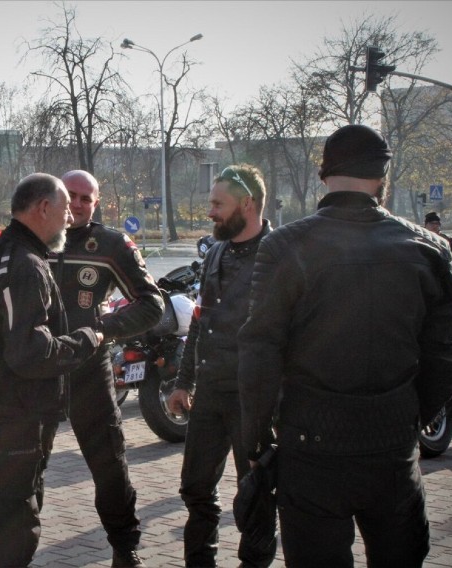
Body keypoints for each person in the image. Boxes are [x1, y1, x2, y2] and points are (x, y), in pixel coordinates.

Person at [237, 124, 452, 567]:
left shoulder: (285, 246)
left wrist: (257, 438)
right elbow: (447, 355)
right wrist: (408, 417)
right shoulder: (429, 248)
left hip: (311, 445)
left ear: (323, 174)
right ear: (382, 176)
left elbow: (259, 351)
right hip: (391, 449)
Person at [0, 173, 103, 568]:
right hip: (13, 417)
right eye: (66, 208)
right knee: (15, 522)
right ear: (43, 208)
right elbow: (29, 353)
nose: (70, 218)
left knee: (5, 515)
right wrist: (85, 340)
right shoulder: (26, 264)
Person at [52, 170, 164, 568]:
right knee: (18, 464)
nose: (77, 204)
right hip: (35, 370)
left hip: (87, 368)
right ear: (56, 196)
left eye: (86, 197)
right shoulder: (29, 240)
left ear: (96, 203)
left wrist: (102, 329)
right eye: (71, 195)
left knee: (109, 464)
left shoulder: (111, 245)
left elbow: (152, 304)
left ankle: (124, 547)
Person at [166, 164, 275, 568]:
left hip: (255, 399)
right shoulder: (215, 252)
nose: (209, 211)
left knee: (256, 495)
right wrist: (182, 383)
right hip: (210, 394)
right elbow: (200, 319)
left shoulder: (279, 254)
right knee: (195, 490)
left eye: (217, 203)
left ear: (247, 203)